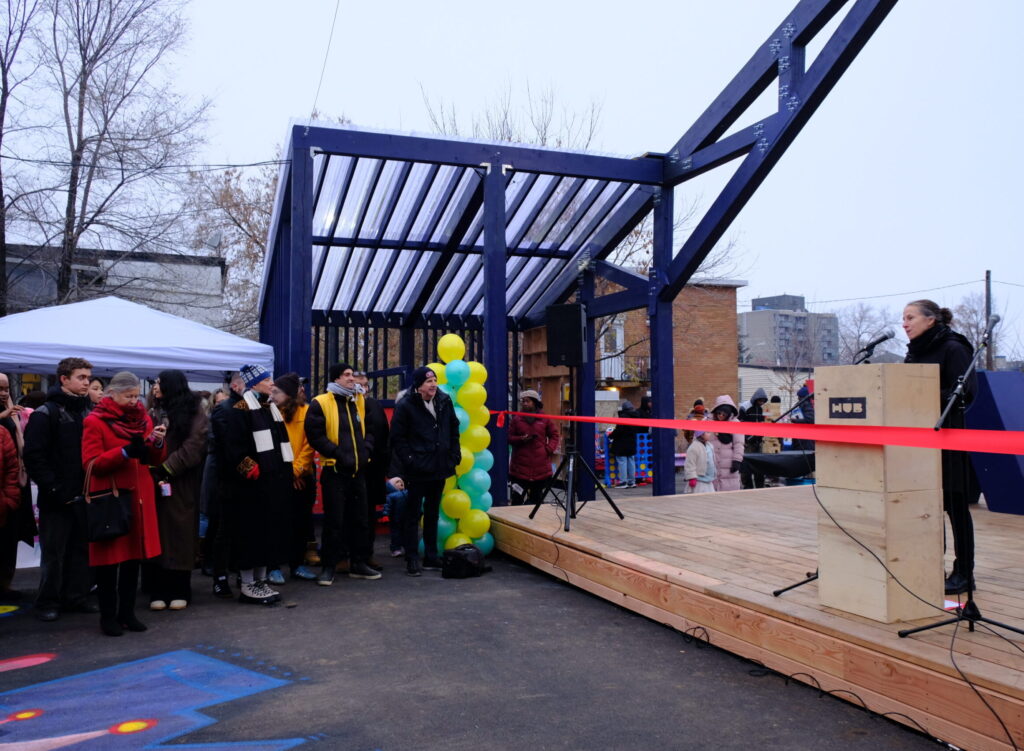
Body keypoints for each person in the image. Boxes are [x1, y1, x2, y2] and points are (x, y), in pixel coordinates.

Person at [82, 371, 168, 636]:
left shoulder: (143, 419)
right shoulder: (95, 422)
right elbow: (91, 464)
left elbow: (153, 458)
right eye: (128, 396)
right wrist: (122, 452)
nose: (134, 401)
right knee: (109, 562)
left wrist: (157, 441)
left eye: (135, 395)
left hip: (139, 496)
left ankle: (127, 613)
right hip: (112, 497)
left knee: (133, 559)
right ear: (113, 394)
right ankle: (108, 616)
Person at [903, 299, 977, 595]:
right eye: (903, 318)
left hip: (948, 437)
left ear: (931, 320)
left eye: (910, 317)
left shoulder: (954, 348)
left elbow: (966, 392)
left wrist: (923, 398)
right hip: (918, 441)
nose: (904, 323)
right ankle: (930, 564)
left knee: (954, 507)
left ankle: (964, 572)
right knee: (926, 505)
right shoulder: (914, 352)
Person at [23, 356, 97, 622]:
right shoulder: (46, 413)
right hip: (57, 498)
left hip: (84, 495)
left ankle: (75, 596)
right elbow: (33, 457)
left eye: (88, 377)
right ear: (64, 379)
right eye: (81, 377)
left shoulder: (88, 412)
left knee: (81, 550)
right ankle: (48, 601)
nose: (86, 382)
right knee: (54, 554)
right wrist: (54, 488)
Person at [221, 364, 294, 604]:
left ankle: (260, 580)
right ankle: (248, 583)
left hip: (272, 485)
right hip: (250, 488)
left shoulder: (270, 408)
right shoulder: (238, 409)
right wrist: (252, 470)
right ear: (254, 383)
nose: (272, 383)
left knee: (268, 535)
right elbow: (234, 449)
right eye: (267, 379)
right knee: (250, 536)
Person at [305, 363, 380, 585]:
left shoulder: (359, 401)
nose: (352, 379)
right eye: (347, 375)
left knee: (360, 520)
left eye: (352, 375)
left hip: (358, 471)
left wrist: (366, 450)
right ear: (336, 379)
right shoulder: (321, 402)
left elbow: (370, 430)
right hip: (335, 471)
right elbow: (315, 435)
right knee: (334, 521)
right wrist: (338, 454)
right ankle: (329, 566)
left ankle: (358, 562)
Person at [389, 366, 460, 577]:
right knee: (412, 515)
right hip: (417, 470)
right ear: (418, 385)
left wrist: (453, 455)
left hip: (439, 468)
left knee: (432, 514)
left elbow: (454, 429)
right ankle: (412, 557)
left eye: (435, 381)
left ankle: (431, 555)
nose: (433, 385)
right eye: (429, 382)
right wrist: (410, 461)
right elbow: (398, 438)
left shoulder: (444, 402)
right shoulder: (405, 406)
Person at [147, 370, 208, 611]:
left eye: (160, 383)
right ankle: (157, 589)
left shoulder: (194, 410)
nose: (155, 387)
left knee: (180, 532)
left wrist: (166, 469)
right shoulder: (152, 410)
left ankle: (181, 588)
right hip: (153, 480)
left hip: (181, 481)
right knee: (156, 533)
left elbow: (195, 446)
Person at [269, 372, 317, 582]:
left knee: (301, 523)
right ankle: (274, 566)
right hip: (279, 479)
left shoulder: (307, 412)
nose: (273, 395)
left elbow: (309, 447)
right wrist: (287, 475)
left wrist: (295, 472)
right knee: (276, 525)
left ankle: (297, 564)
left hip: (302, 478)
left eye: (276, 392)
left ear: (288, 394)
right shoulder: (269, 413)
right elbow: (270, 447)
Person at [206, 371, 245, 599]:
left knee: (240, 529)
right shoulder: (224, 410)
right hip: (228, 479)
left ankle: (239, 571)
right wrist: (247, 466)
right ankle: (220, 577)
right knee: (224, 529)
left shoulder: (249, 409)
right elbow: (227, 447)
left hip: (242, 479)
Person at [0, 372, 36, 602]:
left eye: (6, 389)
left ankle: (5, 584)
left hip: (11, 486)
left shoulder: (12, 413)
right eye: (0, 389)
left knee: (9, 538)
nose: (4, 393)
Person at [354, 371, 389, 570]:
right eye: (359, 384)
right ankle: (347, 555)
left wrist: (387, 466)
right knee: (352, 514)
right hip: (353, 467)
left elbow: (384, 434)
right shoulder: (346, 405)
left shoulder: (375, 406)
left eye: (366, 385)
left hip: (374, 468)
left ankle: (367, 554)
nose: (363, 388)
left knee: (369, 514)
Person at [508, 389, 559, 505]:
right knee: (517, 500)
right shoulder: (516, 419)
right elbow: (509, 437)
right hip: (519, 469)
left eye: (528, 401)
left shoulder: (545, 419)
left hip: (540, 468)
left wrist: (548, 449)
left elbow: (555, 435)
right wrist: (521, 439)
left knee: (536, 500)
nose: (525, 403)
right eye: (523, 401)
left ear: (535, 403)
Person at [705, 395, 745, 492]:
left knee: (729, 492)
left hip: (729, 463)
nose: (721, 416)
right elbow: (698, 439)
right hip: (711, 462)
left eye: (724, 414)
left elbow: (739, 444)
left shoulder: (735, 424)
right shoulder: (707, 422)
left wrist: (737, 460)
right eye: (719, 413)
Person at [738, 387, 768, 488]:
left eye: (763, 401)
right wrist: (743, 439)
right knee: (747, 465)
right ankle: (747, 486)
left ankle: (760, 485)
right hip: (747, 441)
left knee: (759, 465)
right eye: (760, 400)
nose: (761, 403)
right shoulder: (745, 407)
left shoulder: (761, 409)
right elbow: (739, 424)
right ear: (756, 398)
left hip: (758, 441)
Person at [609, 400, 640, 487]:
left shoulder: (623, 417)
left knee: (622, 462)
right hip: (632, 442)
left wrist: (611, 435)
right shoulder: (636, 416)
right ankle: (632, 481)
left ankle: (623, 482)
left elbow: (619, 430)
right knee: (631, 461)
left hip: (622, 443)